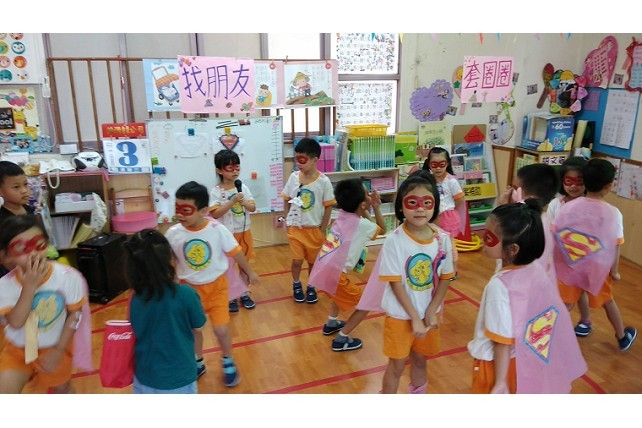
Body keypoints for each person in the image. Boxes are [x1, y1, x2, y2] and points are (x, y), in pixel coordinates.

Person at [468, 200, 586, 393]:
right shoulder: (536, 270)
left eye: (488, 237)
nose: (482, 239)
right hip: (526, 360)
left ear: (513, 249)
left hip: (496, 366)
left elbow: (502, 341)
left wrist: (500, 381)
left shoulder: (499, 286)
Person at [165, 181, 260, 387]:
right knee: (194, 330)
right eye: (177, 208)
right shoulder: (173, 234)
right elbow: (170, 262)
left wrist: (249, 272)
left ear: (203, 211)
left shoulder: (217, 229)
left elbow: (236, 252)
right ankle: (198, 361)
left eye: (186, 210)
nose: (180, 214)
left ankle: (227, 359)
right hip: (189, 291)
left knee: (221, 330)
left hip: (217, 288)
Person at [377, 174, 455, 394]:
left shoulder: (442, 239)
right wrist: (414, 318)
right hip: (400, 316)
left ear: (435, 206)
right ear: (401, 207)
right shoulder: (394, 240)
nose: (420, 209)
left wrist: (431, 310)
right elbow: (395, 284)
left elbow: (446, 277)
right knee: (397, 364)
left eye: (427, 203)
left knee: (420, 360)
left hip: (427, 315)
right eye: (412, 202)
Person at [0, 215, 91, 393]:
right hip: (19, 349)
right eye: (21, 248)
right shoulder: (5, 286)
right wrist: (29, 287)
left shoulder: (67, 277)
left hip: (53, 347)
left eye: (39, 244)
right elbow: (16, 322)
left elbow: (75, 314)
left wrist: (59, 350)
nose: (33, 253)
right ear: (7, 256)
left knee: (63, 390)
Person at [553, 159, 637, 352]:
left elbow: (557, 235)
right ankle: (622, 337)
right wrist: (614, 271)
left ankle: (549, 337)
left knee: (566, 303)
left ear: (584, 181)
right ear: (609, 186)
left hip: (571, 264)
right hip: (597, 268)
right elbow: (615, 245)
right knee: (608, 301)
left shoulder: (567, 207)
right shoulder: (613, 213)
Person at [307, 178, 386, 351]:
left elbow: (362, 218)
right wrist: (376, 207)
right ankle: (342, 339)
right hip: (335, 274)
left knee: (338, 294)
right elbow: (382, 228)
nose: (369, 195)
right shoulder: (362, 224)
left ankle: (331, 323)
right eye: (367, 194)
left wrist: (365, 207)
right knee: (365, 304)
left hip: (323, 269)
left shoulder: (342, 215)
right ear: (363, 204)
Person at [124, 229, 206, 394]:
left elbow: (132, 327)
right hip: (179, 377)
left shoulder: (135, 297)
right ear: (170, 259)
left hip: (144, 375)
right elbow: (198, 327)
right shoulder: (186, 294)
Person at [282, 138, 335, 304]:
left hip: (314, 230)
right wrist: (287, 220)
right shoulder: (293, 178)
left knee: (313, 262)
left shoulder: (323, 182)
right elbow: (286, 199)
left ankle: (311, 285)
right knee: (297, 261)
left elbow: (328, 206)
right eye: (297, 159)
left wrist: (322, 229)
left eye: (302, 160)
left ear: (315, 160)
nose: (299, 163)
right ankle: (296, 284)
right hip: (296, 229)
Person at [547, 157, 593, 337]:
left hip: (580, 259)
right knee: (574, 292)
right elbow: (550, 230)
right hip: (558, 257)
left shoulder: (591, 206)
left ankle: (553, 329)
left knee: (569, 295)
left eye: (579, 181)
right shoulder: (555, 204)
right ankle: (585, 320)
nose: (573, 186)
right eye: (568, 181)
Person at [211, 149, 257, 313]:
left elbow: (252, 208)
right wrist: (232, 202)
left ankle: (244, 293)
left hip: (243, 232)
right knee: (227, 267)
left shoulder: (242, 187)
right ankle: (230, 296)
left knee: (244, 265)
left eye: (237, 167)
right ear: (219, 170)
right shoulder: (216, 191)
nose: (235, 171)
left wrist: (244, 202)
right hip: (225, 236)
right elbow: (215, 214)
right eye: (230, 168)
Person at [422, 147, 465, 277]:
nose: (438, 168)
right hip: (432, 216)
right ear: (429, 164)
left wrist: (449, 211)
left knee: (449, 245)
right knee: (434, 243)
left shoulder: (451, 181)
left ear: (447, 163)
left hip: (447, 217)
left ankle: (453, 270)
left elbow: (460, 200)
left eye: (442, 164)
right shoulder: (428, 180)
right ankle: (436, 268)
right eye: (434, 165)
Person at [0, 161, 36, 279]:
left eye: (25, 184)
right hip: (11, 274)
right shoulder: (3, 219)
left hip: (32, 266)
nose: (24, 190)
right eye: (16, 187)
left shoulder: (28, 209)